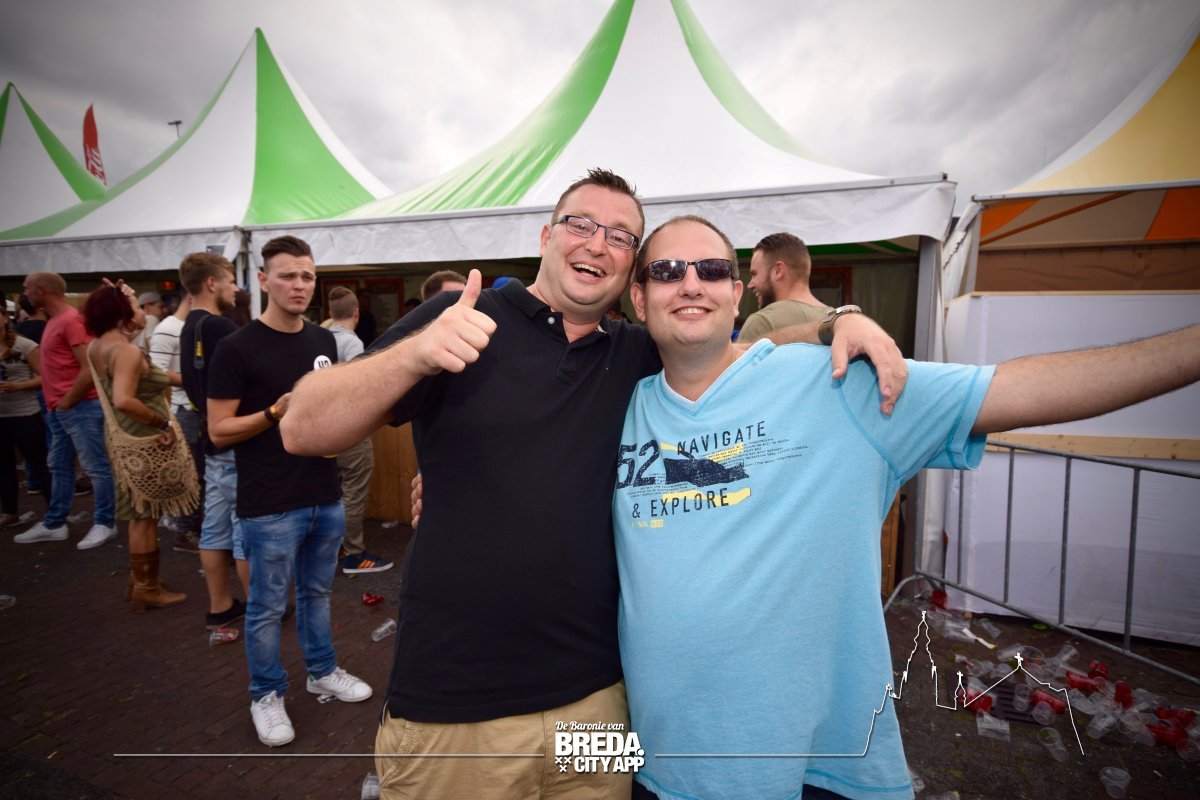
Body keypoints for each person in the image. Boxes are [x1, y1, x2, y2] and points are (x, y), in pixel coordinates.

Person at [280, 169, 907, 798]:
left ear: (632, 273)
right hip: (458, 709)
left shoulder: (635, 352)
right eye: (581, 224)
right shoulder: (463, 318)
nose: (597, 243)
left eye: (621, 236)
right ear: (547, 236)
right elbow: (304, 428)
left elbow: (735, 346)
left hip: (600, 706)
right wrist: (415, 355)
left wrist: (839, 322)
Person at [613, 214, 1200, 800]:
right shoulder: (618, 406)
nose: (691, 283)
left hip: (819, 770)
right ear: (639, 298)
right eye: (667, 271)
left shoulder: (836, 384)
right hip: (662, 767)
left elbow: (1014, 390)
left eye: (711, 268)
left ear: (738, 293)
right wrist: (836, 319)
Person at [206, 235, 371, 747]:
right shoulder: (236, 347)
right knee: (266, 606)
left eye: (307, 276)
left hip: (324, 493)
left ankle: (321, 670)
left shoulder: (323, 342)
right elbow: (218, 431)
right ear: (263, 280)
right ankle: (266, 694)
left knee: (317, 593)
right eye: (287, 276)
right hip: (270, 501)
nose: (299, 285)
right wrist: (273, 413)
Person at [82, 281, 191, 612]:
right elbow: (124, 399)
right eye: (135, 305)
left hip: (124, 438)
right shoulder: (125, 351)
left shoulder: (99, 345)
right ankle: (147, 587)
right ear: (122, 314)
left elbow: (153, 377)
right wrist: (162, 424)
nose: (142, 311)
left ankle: (140, 580)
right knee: (143, 516)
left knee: (139, 513)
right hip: (144, 440)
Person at [15, 272, 118, 549]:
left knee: (95, 467)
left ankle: (105, 522)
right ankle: (54, 523)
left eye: (27, 288)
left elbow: (90, 367)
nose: (25, 293)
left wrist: (68, 400)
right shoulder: (58, 320)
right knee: (59, 466)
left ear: (41, 289)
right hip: (65, 408)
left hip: (78, 407)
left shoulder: (70, 320)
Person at [179, 253, 251, 631]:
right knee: (246, 531)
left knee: (214, 530)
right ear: (211, 283)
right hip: (236, 442)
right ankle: (261, 607)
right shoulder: (221, 327)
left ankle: (221, 606)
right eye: (230, 280)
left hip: (211, 443)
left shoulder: (188, 325)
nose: (235, 288)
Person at [325, 287, 390, 574]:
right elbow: (358, 389)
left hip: (323, 430)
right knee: (353, 491)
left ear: (330, 312)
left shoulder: (320, 338)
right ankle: (354, 553)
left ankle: (337, 546)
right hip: (347, 428)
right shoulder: (352, 343)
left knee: (334, 492)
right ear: (356, 312)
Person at [149, 289, 201, 554]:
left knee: (201, 473)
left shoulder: (192, 326)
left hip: (196, 409)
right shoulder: (168, 328)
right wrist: (199, 380)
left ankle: (192, 528)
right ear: (192, 296)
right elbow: (155, 373)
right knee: (192, 475)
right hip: (184, 410)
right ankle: (184, 531)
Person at [0, 300, 51, 528]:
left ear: (5, 318)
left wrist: (17, 386)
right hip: (1, 417)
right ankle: (9, 511)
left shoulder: (24, 345)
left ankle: (54, 512)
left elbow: (46, 377)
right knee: (3, 466)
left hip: (25, 414)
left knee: (39, 463)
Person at [739, 231, 830, 343]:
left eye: (754, 274)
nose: (750, 285)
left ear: (778, 271)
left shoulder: (763, 322)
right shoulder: (839, 321)